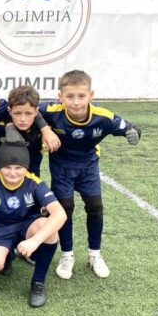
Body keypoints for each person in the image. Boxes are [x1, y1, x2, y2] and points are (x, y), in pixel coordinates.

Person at [40, 70, 142, 280]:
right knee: (65, 209)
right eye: (70, 96)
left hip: (88, 167)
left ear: (91, 95)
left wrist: (134, 133)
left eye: (81, 96)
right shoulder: (52, 111)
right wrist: (45, 130)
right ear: (60, 96)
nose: (76, 102)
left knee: (95, 207)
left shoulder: (102, 117)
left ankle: (94, 253)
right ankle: (67, 255)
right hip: (61, 168)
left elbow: (130, 127)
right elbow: (30, 108)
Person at [0, 139, 67, 307]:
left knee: (50, 229)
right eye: (7, 167)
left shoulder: (35, 183)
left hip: (28, 225)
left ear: (26, 167)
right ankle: (8, 255)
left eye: (18, 168)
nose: (13, 173)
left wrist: (35, 241)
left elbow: (60, 214)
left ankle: (38, 283)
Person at [0, 85, 53, 176]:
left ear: (36, 112)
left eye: (28, 113)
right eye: (17, 113)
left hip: (31, 174)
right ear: (9, 111)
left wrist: (46, 129)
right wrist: (8, 122)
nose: (23, 119)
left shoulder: (47, 115)